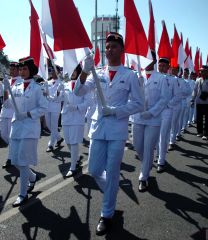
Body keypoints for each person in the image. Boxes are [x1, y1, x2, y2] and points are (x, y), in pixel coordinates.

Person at [74, 32, 144, 235]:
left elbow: (139, 104)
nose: (109, 50)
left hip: (117, 130)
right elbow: (79, 92)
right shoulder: (98, 73)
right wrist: (85, 72)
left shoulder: (129, 75)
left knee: (113, 172)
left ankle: (107, 214)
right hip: (98, 128)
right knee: (94, 171)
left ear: (122, 50)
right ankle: (111, 195)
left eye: (113, 46)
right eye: (107, 46)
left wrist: (115, 111)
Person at [9, 57, 48, 207]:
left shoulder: (37, 88)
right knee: (15, 160)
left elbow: (43, 107)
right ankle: (32, 177)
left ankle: (22, 194)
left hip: (30, 128)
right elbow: (9, 103)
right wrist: (5, 89)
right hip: (17, 127)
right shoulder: (16, 86)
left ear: (31, 70)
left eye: (25, 69)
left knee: (23, 161)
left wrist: (27, 114)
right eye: (20, 69)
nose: (22, 71)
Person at [131, 53, 169, 191]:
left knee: (148, 148)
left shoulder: (161, 78)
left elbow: (164, 99)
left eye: (149, 58)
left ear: (154, 60)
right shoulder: (136, 75)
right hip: (138, 116)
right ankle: (146, 164)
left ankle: (143, 177)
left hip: (153, 119)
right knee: (138, 146)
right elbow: (130, 95)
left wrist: (152, 112)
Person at [61, 64, 92, 177]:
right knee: (68, 142)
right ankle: (77, 158)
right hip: (66, 117)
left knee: (74, 142)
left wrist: (77, 107)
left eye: (75, 70)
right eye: (71, 70)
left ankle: (73, 167)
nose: (72, 72)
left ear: (79, 72)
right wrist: (57, 93)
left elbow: (88, 102)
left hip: (77, 117)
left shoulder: (84, 86)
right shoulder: (64, 84)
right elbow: (56, 99)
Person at [0, 61, 22, 169]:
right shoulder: (7, 81)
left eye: (14, 69)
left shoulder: (20, 82)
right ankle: (16, 151)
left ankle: (11, 158)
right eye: (11, 69)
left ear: (19, 70)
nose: (11, 71)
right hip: (4, 112)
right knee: (4, 135)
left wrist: (6, 88)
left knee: (11, 136)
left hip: (13, 112)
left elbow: (14, 99)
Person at [156, 58, 181, 170]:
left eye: (164, 66)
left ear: (168, 68)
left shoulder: (173, 80)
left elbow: (177, 95)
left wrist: (168, 105)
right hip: (154, 111)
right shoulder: (153, 78)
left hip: (166, 111)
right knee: (155, 135)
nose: (161, 68)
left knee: (163, 135)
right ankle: (157, 154)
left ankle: (161, 160)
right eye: (160, 65)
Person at [191, 65, 208, 140]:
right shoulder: (198, 80)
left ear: (207, 72)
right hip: (199, 102)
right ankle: (200, 132)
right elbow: (195, 90)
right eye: (201, 71)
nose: (201, 72)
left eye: (203, 71)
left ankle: (206, 134)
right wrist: (192, 99)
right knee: (199, 118)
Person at [44, 66, 64, 152]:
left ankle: (51, 144)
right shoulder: (47, 82)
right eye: (51, 70)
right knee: (49, 125)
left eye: (55, 71)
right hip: (47, 106)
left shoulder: (61, 83)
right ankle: (59, 138)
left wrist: (56, 93)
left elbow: (60, 98)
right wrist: (44, 92)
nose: (52, 72)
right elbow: (44, 94)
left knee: (54, 125)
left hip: (56, 106)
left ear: (59, 72)